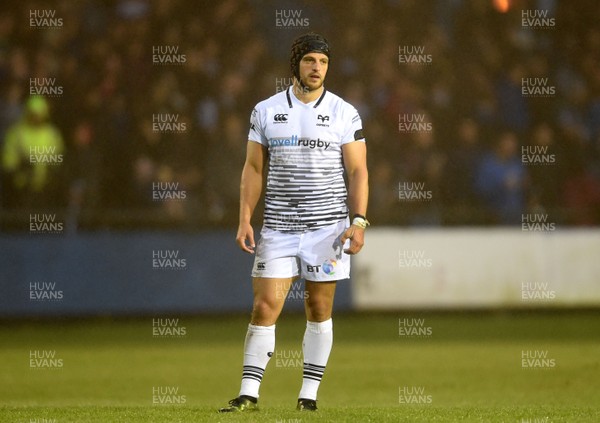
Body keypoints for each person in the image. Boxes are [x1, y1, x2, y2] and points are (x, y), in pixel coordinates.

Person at [219, 32, 369, 413]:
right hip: (279, 228)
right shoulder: (266, 110)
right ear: (295, 65)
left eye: (323, 62)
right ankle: (249, 394)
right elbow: (253, 168)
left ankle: (308, 397)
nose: (317, 68)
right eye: (310, 61)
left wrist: (359, 221)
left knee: (318, 308)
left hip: (327, 230)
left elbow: (358, 171)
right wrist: (244, 219)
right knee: (264, 305)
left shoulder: (343, 112)